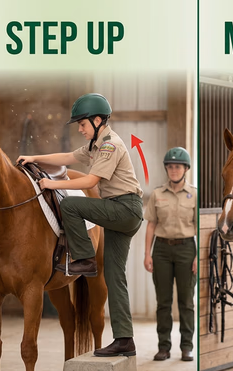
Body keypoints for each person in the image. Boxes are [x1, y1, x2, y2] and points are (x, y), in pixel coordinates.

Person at [17, 93, 143, 357]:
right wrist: (34, 158)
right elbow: (66, 157)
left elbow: (90, 182)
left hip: (124, 208)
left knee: (71, 205)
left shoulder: (109, 146)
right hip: (121, 213)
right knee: (115, 278)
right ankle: (125, 340)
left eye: (83, 124)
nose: (80, 129)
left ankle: (84, 258)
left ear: (97, 121)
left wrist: (52, 184)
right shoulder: (95, 145)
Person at [143, 147, 197, 362]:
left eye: (178, 167)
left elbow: (199, 227)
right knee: (163, 302)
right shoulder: (157, 194)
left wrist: (198, 256)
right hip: (162, 251)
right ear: (166, 169)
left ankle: (187, 347)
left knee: (186, 302)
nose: (174, 170)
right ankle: (163, 347)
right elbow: (151, 225)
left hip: (186, 249)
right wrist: (147, 254)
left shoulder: (194, 194)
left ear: (186, 169)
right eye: (171, 166)